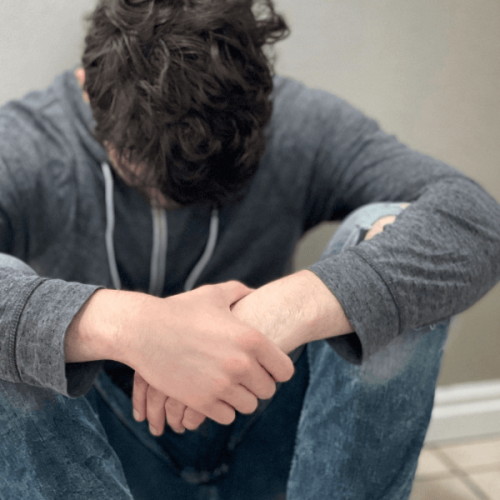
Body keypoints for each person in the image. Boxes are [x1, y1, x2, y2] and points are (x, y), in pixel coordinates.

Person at [0, 0, 499, 498]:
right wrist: (130, 327)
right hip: (111, 457)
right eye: (141, 174)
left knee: (388, 231)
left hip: (271, 438)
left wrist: (282, 310)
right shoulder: (30, 143)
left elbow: (476, 219)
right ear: (89, 88)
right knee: (12, 308)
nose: (168, 201)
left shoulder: (299, 121)